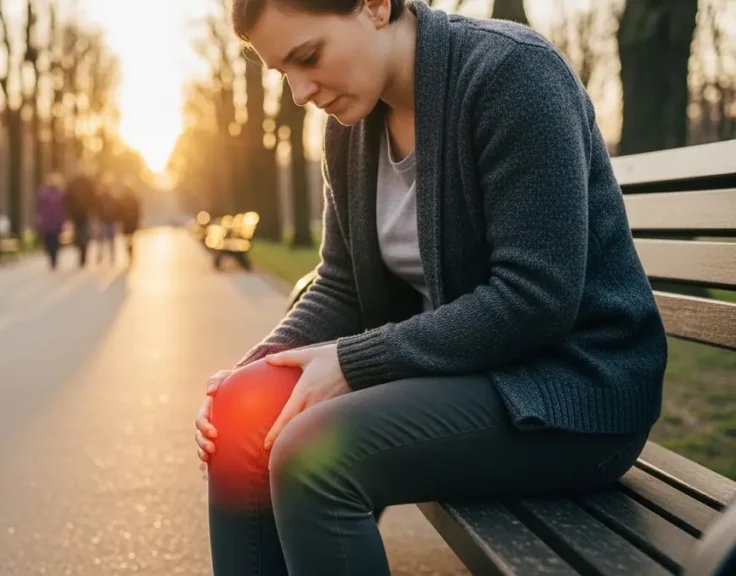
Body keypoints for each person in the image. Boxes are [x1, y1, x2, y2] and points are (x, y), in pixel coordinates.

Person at [193, 2, 668, 575]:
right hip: (468, 378)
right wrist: (254, 372)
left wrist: (353, 361)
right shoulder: (350, 128)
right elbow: (341, 283)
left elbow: (535, 298)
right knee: (241, 416)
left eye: (309, 57)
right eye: (282, 73)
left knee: (313, 456)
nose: (299, 92)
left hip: (573, 391)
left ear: (374, 6)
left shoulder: (512, 74)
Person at [35, 173, 67, 269]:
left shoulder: (60, 193)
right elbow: (39, 207)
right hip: (47, 222)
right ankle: (51, 257)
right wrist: (39, 217)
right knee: (48, 241)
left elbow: (63, 207)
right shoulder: (43, 193)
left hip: (56, 221)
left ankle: (54, 259)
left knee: (55, 241)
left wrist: (64, 219)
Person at [64, 173, 94, 267]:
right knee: (79, 236)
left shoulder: (87, 182)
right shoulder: (74, 183)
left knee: (83, 235)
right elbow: (67, 198)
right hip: (77, 215)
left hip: (84, 214)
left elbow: (93, 198)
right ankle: (81, 254)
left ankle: (83, 256)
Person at [117, 185, 142, 264]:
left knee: (129, 240)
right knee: (129, 239)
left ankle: (130, 253)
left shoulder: (126, 200)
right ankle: (130, 253)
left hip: (129, 223)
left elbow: (138, 212)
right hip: (129, 223)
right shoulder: (126, 200)